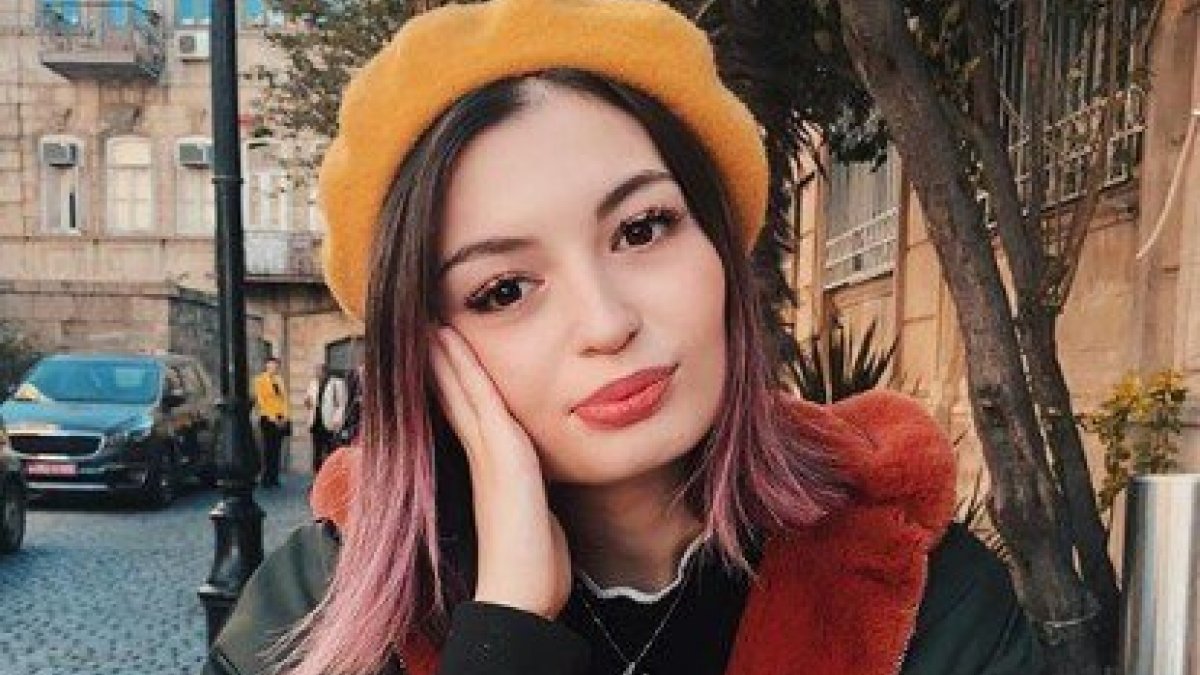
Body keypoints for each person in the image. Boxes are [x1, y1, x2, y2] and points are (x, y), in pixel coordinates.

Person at [202, 1, 1044, 674]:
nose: (607, 322)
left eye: (642, 229)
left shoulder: (918, 588)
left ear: (720, 241)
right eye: (503, 290)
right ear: (426, 352)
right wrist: (505, 634)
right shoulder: (319, 612)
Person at [251, 356, 289, 488]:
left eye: (276, 366)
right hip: (267, 418)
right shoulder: (259, 380)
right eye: (272, 365)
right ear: (266, 366)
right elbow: (261, 401)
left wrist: (285, 417)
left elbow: (284, 400)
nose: (274, 368)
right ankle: (266, 478)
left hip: (280, 417)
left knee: (277, 448)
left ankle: (274, 477)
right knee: (267, 448)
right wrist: (273, 419)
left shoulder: (279, 380)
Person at [303, 362, 348, 474]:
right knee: (317, 451)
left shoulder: (337, 383)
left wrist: (337, 420)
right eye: (315, 370)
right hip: (315, 422)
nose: (316, 373)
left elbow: (342, 404)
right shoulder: (313, 383)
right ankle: (317, 476)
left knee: (330, 451)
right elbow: (308, 401)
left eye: (318, 370)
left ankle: (330, 474)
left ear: (325, 372)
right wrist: (307, 402)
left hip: (330, 423)